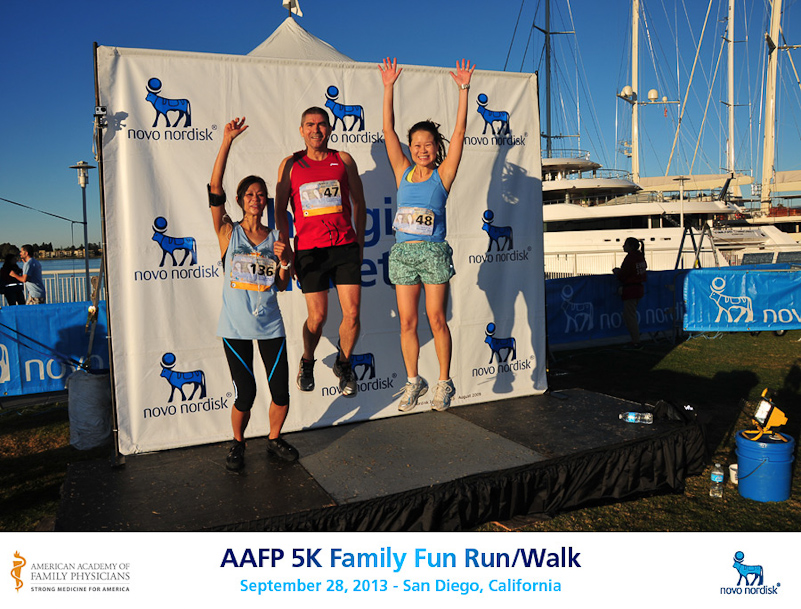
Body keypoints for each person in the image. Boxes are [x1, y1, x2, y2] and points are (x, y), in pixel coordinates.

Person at [379, 57, 474, 412]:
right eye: (416, 144)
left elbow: (460, 133)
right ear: (410, 147)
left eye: (428, 144)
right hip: (403, 255)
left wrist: (464, 90)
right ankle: (413, 380)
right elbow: (388, 131)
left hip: (433, 253)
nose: (422, 149)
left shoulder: (443, 175)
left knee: (436, 318)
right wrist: (389, 87)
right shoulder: (402, 170)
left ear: (437, 148)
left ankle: (444, 382)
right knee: (407, 322)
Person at [209, 117, 298, 471]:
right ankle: (238, 443)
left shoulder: (277, 238)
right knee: (246, 394)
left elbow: (281, 284)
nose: (256, 199)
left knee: (281, 392)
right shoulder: (227, 232)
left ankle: (274, 439)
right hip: (235, 327)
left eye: (261, 195)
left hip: (270, 325)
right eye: (250, 194)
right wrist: (227, 142)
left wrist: (285, 262)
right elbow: (214, 188)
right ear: (239, 200)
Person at [275, 106, 367, 396]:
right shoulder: (291, 164)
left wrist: (359, 242)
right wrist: (286, 246)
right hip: (309, 251)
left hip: (344, 247)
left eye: (321, 124)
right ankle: (307, 360)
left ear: (330, 128)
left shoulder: (343, 160)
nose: (316, 129)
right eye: (310, 124)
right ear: (301, 130)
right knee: (317, 318)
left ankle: (344, 363)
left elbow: (360, 202)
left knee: (352, 313)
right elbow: (279, 209)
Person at [613, 237, 647, 349]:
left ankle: (636, 341)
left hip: (631, 290)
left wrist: (617, 272)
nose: (623, 246)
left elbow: (624, 274)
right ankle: (636, 339)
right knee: (631, 315)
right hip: (638, 289)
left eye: (625, 244)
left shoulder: (630, 258)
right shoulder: (640, 257)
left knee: (630, 317)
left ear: (631, 246)